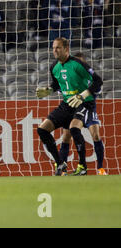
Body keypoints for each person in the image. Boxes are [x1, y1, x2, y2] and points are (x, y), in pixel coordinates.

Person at [35, 37, 103, 176]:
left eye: (58, 47)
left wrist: (83, 95)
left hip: (84, 102)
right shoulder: (54, 67)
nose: (54, 50)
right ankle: (60, 163)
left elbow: (98, 81)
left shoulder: (78, 64)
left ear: (66, 49)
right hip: (67, 104)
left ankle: (83, 166)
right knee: (42, 129)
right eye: (53, 48)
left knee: (74, 128)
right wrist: (48, 90)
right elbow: (57, 84)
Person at [58, 52, 107, 176]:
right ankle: (62, 169)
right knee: (66, 136)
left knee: (95, 135)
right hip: (72, 109)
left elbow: (97, 88)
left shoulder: (89, 77)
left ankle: (100, 168)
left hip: (88, 109)